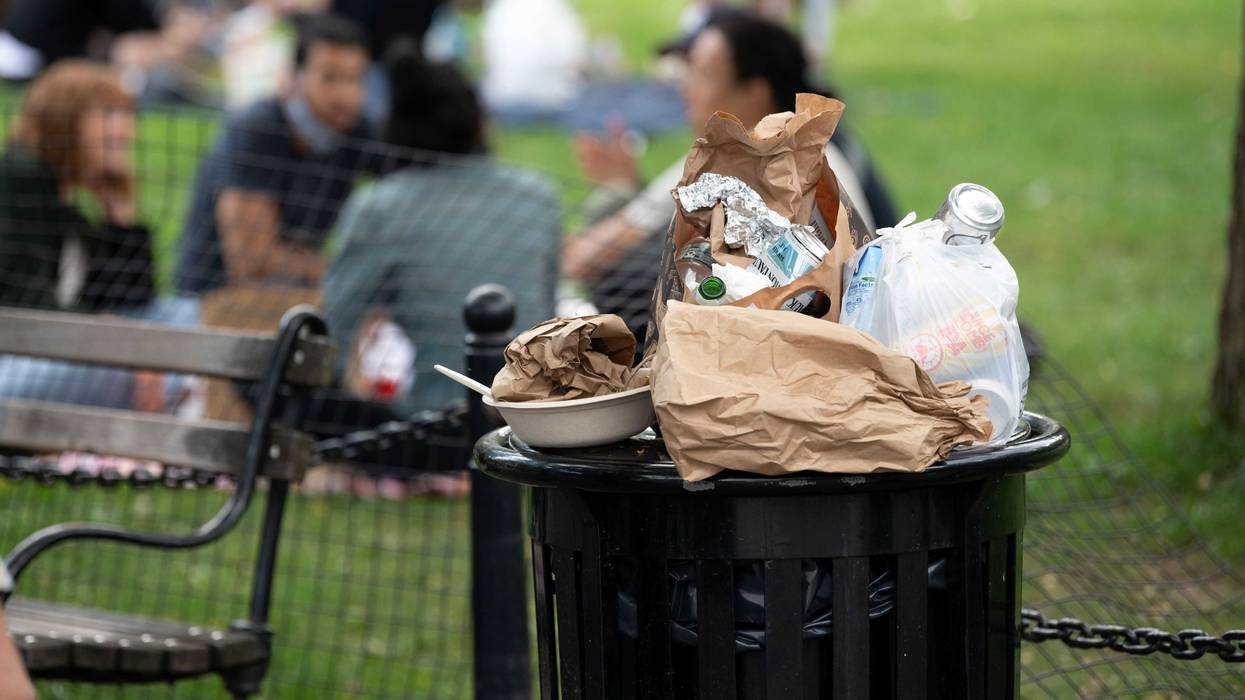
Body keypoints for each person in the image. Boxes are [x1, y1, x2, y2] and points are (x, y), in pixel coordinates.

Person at [563, 8, 897, 340]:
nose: (685, 89)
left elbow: (584, 260)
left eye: (703, 75)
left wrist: (616, 196)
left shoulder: (746, 159)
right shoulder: (818, 147)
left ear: (755, 91)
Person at [319, 42, 560, 498]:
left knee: (284, 382)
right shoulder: (539, 195)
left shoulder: (381, 205)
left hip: (432, 436)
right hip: (534, 429)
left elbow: (330, 337)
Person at [0, 60, 174, 409]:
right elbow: (24, 302)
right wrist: (113, 335)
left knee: (179, 316)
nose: (125, 131)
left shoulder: (69, 212)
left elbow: (131, 299)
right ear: (63, 118)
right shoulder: (16, 179)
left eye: (126, 117)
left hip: (39, 361)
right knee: (152, 369)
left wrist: (118, 210)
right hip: (12, 368)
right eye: (108, 115)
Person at [174, 12, 375, 296]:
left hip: (296, 299)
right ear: (294, 76)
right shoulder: (258, 127)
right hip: (215, 300)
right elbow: (249, 263)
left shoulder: (358, 131)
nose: (346, 95)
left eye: (355, 79)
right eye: (330, 78)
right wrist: (340, 270)